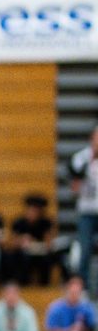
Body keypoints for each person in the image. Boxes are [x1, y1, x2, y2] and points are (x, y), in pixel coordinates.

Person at [70, 126, 98, 294]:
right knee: (85, 248)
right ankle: (84, 286)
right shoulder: (81, 159)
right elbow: (74, 186)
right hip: (86, 210)